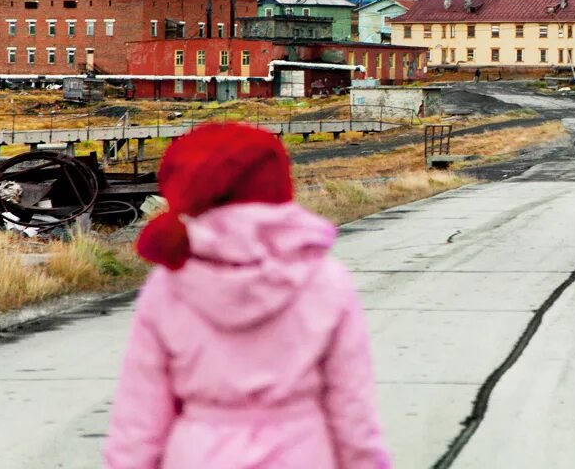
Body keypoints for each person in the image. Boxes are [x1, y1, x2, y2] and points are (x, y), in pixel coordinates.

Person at [104, 123, 391, 469]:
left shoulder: (170, 284)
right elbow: (352, 408)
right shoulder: (325, 280)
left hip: (198, 453)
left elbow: (140, 419)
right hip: (300, 452)